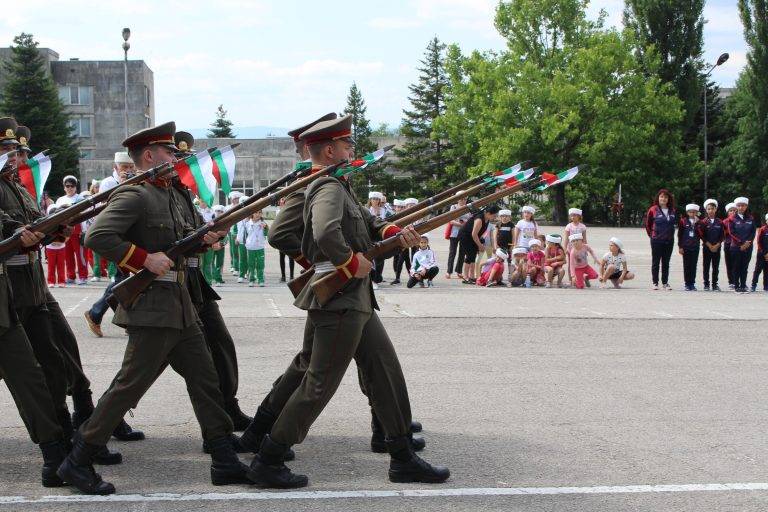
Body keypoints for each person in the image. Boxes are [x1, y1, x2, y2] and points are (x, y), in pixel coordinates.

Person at [247, 114, 448, 488]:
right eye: (346, 144)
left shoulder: (339, 185)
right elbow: (325, 232)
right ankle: (269, 458)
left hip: (353, 297)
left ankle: (402, 455)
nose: (352, 149)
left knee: (384, 369)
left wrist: (392, 232)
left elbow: (364, 228)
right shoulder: (328, 186)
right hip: (340, 297)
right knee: (318, 383)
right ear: (329, 149)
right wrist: (348, 261)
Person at [61, 121, 251, 495]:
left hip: (180, 305)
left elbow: (181, 241)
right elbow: (96, 236)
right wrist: (144, 259)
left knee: (206, 380)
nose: (176, 157)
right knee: (128, 386)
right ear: (149, 156)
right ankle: (77, 460)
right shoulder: (136, 195)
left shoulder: (171, 194)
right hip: (152, 308)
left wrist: (205, 239)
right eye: (169, 152)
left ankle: (224, 459)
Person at [17, 123, 140, 448]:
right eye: (11, 152)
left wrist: (54, 229)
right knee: (35, 373)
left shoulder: (18, 187)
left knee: (65, 355)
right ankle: (63, 442)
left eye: (20, 153)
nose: (18, 159)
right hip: (11, 290)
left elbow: (33, 224)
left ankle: (81, 423)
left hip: (33, 284)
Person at [172, 130, 252, 433]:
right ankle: (102, 422)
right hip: (168, 287)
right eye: (179, 159)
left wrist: (207, 238)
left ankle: (227, 408)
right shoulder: (156, 194)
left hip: (193, 280)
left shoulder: (183, 196)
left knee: (220, 346)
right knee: (146, 367)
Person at [83, 152, 136, 338]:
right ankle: (121, 319)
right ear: (115, 168)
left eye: (130, 167)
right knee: (124, 280)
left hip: (130, 237)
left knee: (125, 280)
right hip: (115, 237)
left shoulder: (136, 180)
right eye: (124, 167)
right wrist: (124, 185)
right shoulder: (108, 183)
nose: (128, 171)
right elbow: (109, 209)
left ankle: (99, 314)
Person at [56, 175, 88, 285]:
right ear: (64, 187)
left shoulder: (80, 199)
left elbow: (84, 216)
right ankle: (71, 276)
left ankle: (83, 276)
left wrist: (84, 230)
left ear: (76, 187)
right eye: (67, 186)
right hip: (65, 231)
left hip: (77, 230)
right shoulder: (60, 200)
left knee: (80, 256)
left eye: (72, 186)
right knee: (67, 255)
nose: (70, 188)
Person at [645, 189, 678, 290]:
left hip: (669, 240)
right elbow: (648, 224)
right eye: (661, 197)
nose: (663, 199)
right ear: (658, 198)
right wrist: (652, 235)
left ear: (668, 199)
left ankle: (665, 283)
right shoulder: (653, 209)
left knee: (666, 262)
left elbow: (674, 224)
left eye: (665, 197)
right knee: (656, 262)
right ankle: (655, 282)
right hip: (656, 240)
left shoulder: (673, 210)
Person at [458, 205, 500, 284]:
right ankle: (466, 277)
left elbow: (479, 233)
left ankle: (471, 276)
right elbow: (474, 234)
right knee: (470, 256)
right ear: (488, 213)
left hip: (473, 237)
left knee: (473, 255)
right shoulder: (479, 219)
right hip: (465, 236)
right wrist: (480, 245)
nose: (495, 218)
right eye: (494, 216)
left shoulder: (487, 219)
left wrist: (479, 243)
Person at [725, 196, 756, 293]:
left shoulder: (751, 218)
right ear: (736, 206)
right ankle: (736, 286)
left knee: (744, 266)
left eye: (743, 205)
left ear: (746, 206)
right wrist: (741, 243)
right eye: (739, 206)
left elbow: (753, 232)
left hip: (748, 246)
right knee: (736, 266)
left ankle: (743, 285)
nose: (741, 207)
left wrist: (748, 242)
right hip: (736, 247)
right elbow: (731, 232)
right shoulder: (732, 219)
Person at [697, 198, 725, 291]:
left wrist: (717, 245)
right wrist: (709, 245)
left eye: (712, 208)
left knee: (715, 267)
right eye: (709, 209)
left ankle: (714, 284)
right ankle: (706, 284)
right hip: (707, 247)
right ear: (706, 210)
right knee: (706, 266)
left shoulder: (720, 222)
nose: (711, 211)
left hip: (717, 248)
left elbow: (722, 235)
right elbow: (702, 235)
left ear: (716, 209)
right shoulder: (703, 222)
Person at [239, 210, 268, 287]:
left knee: (260, 264)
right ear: (252, 213)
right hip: (250, 247)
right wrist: (246, 244)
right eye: (256, 212)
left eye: (259, 213)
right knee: (251, 264)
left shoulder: (263, 224)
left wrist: (265, 228)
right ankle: (251, 280)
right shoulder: (248, 224)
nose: (257, 214)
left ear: (261, 214)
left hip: (260, 247)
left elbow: (266, 234)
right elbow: (245, 235)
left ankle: (260, 280)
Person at [445, 194, 469, 279]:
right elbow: (450, 220)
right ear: (458, 199)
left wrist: (463, 223)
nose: (463, 200)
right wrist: (461, 224)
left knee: (462, 253)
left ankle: (459, 271)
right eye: (462, 199)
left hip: (464, 234)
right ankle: (449, 271)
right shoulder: (454, 207)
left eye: (465, 199)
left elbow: (470, 220)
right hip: (454, 233)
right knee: (452, 252)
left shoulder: (468, 207)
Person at [678, 203, 702, 291]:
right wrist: (680, 247)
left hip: (695, 246)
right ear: (687, 212)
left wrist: (698, 223)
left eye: (694, 212)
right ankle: (687, 284)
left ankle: (692, 283)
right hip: (686, 247)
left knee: (693, 265)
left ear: (697, 212)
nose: (692, 214)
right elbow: (679, 235)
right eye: (690, 212)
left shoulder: (699, 222)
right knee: (687, 265)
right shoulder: (683, 221)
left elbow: (701, 234)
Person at [367, 191, 387, 286]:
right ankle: (371, 278)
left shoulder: (383, 210)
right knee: (371, 257)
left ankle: (377, 278)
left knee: (380, 257)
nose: (375, 201)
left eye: (377, 199)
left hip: (379, 235)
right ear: (370, 200)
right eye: (373, 199)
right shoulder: (367, 210)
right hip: (370, 236)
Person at [45, 205, 67, 287]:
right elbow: (45, 236)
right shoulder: (47, 224)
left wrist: (62, 242)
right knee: (51, 265)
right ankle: (51, 281)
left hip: (61, 247)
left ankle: (62, 281)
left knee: (61, 265)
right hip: (50, 248)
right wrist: (51, 242)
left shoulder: (63, 223)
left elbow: (67, 235)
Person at [390, 200, 411, 285]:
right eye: (398, 207)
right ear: (395, 208)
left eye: (402, 207)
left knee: (404, 259)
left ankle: (399, 278)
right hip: (395, 240)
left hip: (404, 240)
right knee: (396, 258)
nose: (400, 209)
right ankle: (398, 276)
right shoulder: (392, 217)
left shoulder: (407, 217)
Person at [276, 197, 296, 283]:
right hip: (281, 236)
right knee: (282, 257)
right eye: (281, 199)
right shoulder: (278, 212)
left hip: (289, 235)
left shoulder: (290, 210)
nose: (282, 201)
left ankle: (291, 275)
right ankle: (283, 276)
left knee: (291, 257)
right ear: (279, 202)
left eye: (284, 199)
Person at [751, 213, 768, 293]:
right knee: (758, 270)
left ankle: (766, 286)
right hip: (761, 253)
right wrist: (765, 253)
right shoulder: (762, 229)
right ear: (766, 221)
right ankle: (753, 285)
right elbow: (758, 242)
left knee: (767, 271)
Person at [227, 191, 243, 275]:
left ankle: (239, 266)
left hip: (239, 230)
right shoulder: (228, 208)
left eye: (236, 199)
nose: (234, 200)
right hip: (231, 230)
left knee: (239, 250)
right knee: (232, 250)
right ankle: (233, 265)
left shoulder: (241, 207)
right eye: (233, 199)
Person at [210, 204, 227, 286]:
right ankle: (215, 277)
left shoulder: (225, 223)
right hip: (212, 246)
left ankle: (218, 277)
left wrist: (222, 243)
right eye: (217, 211)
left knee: (219, 263)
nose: (218, 213)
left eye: (220, 211)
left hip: (221, 246)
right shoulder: (211, 223)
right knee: (211, 262)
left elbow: (226, 236)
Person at [722, 202, 738, 289]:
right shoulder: (724, 222)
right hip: (728, 244)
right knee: (729, 264)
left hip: (737, 245)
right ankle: (731, 281)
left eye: (735, 210)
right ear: (728, 212)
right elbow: (722, 234)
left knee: (737, 264)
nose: (733, 212)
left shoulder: (739, 221)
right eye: (731, 211)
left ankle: (737, 281)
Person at [495, 209, 514, 276]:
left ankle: (510, 275)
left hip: (508, 245)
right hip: (500, 245)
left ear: (509, 217)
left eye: (506, 216)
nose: (504, 217)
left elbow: (513, 236)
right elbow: (495, 235)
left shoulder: (511, 225)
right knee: (499, 261)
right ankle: (499, 275)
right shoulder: (498, 224)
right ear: (500, 217)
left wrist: (512, 246)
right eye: (503, 216)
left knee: (509, 260)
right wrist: (496, 244)